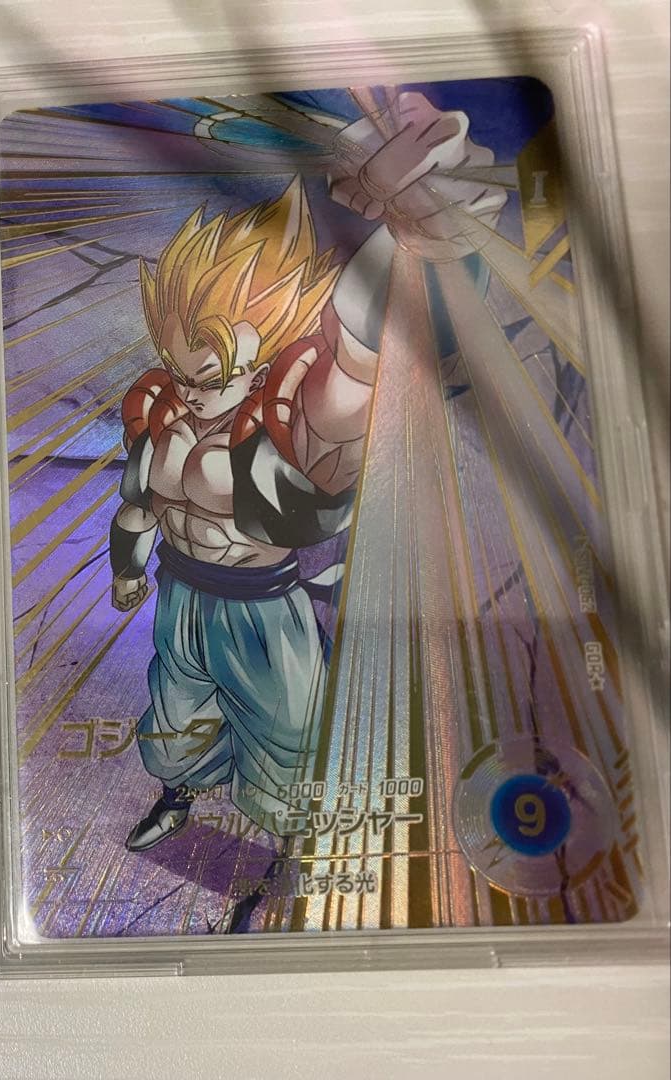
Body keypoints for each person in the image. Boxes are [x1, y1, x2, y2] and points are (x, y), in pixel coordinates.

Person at [109, 92, 505, 851]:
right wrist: (128, 569)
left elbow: (358, 364)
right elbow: (136, 509)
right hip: (178, 593)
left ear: (261, 362)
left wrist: (427, 240)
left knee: (287, 738)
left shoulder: (287, 425)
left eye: (210, 375)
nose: (190, 388)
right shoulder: (159, 413)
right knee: (173, 722)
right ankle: (178, 794)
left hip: (261, 608)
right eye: (180, 367)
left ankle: (292, 840)